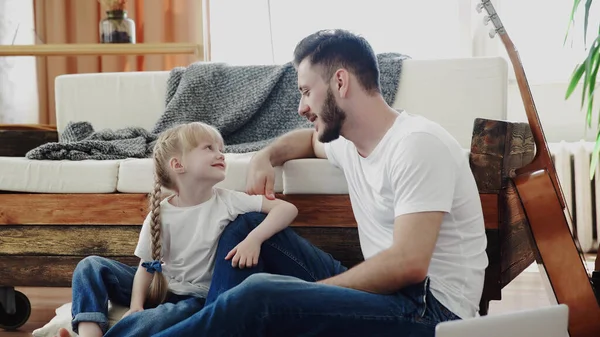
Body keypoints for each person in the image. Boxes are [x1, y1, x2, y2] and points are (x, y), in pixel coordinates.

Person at [151, 28, 489, 337]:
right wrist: (264, 156)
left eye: (306, 91)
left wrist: (313, 294)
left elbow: (408, 264)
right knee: (247, 225)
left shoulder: (417, 144)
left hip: (432, 313)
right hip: (389, 294)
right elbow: (308, 141)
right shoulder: (350, 142)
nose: (302, 107)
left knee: (262, 294)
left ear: (340, 82)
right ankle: (217, 322)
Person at [54, 121, 298, 337]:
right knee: (90, 266)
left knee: (153, 320)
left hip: (196, 298)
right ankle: (89, 332)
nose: (221, 154)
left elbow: (286, 210)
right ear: (178, 165)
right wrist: (136, 305)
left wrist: (253, 239)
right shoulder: (160, 214)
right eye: (209, 148)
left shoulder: (229, 201)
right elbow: (146, 267)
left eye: (221, 149)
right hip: (161, 286)